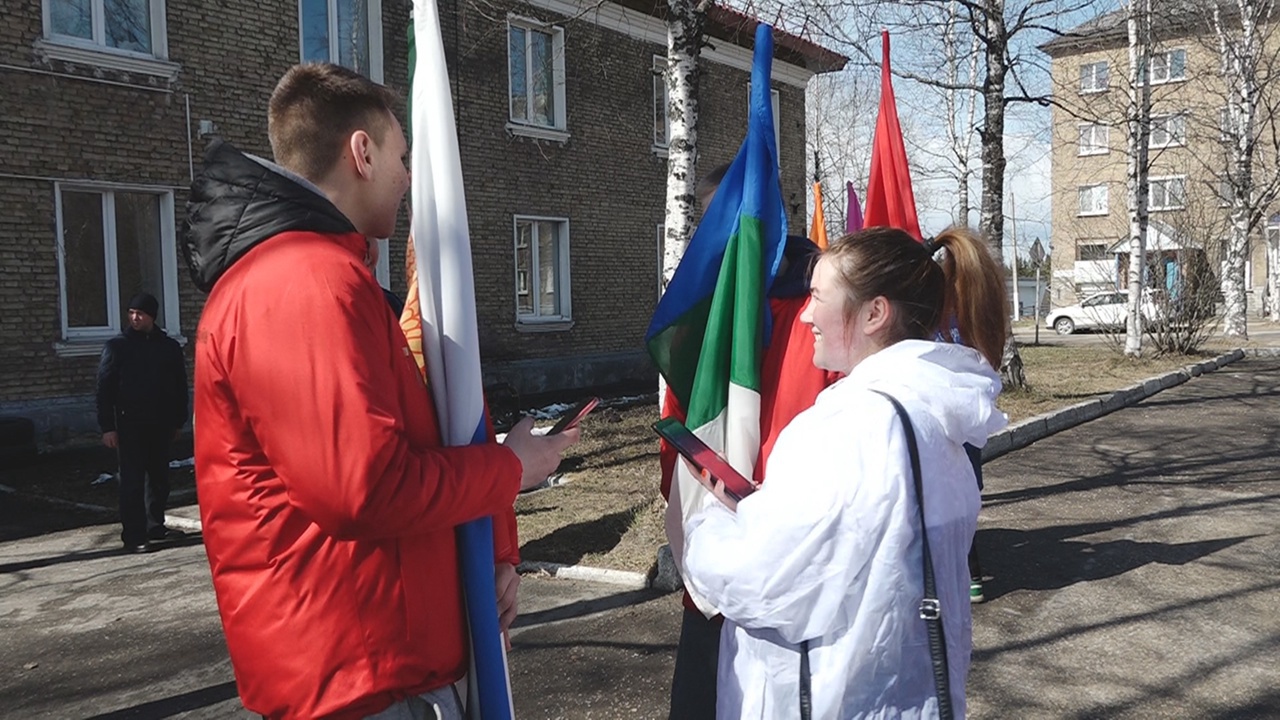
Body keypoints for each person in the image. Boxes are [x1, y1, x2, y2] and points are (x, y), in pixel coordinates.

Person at [185, 63, 576, 720]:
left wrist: (494, 552)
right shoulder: (303, 283)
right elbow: (366, 490)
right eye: (401, 157)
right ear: (360, 153)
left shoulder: (327, 276)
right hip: (359, 681)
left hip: (377, 664)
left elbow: (417, 435)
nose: (410, 180)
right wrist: (509, 470)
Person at [681, 226, 1009, 719]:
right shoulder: (937, 419)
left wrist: (705, 524)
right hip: (904, 695)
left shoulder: (847, 427)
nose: (806, 314)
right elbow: (855, 546)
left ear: (875, 313)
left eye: (817, 297)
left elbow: (763, 582)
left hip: (829, 700)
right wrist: (762, 509)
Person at [662, 163, 838, 719]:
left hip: (786, 565)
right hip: (713, 558)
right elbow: (681, 427)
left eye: (722, 224)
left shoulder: (818, 313)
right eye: (703, 227)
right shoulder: (707, 311)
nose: (709, 241)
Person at [95, 291, 188, 554]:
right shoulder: (118, 347)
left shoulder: (167, 347)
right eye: (132, 313)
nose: (135, 318)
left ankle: (154, 525)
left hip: (160, 424)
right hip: (129, 424)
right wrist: (107, 427)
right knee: (132, 481)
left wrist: (178, 420)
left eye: (141, 314)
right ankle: (134, 535)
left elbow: (179, 385)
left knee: (159, 478)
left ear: (152, 316)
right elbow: (104, 389)